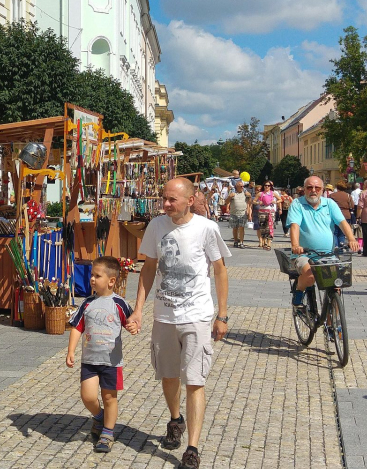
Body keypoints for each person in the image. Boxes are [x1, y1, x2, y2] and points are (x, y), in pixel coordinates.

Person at [128, 178, 230, 469]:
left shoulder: (206, 229)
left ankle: (192, 448)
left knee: (195, 381)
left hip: (197, 316)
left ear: (189, 199)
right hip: (164, 316)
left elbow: (220, 271)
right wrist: (138, 311)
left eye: (172, 199)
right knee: (169, 376)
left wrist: (221, 315)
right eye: (164, 199)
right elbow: (148, 268)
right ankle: (176, 419)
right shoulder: (156, 226)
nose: (166, 204)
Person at [66, 256, 136, 453]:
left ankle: (107, 432)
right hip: (89, 360)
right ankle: (99, 417)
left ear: (111, 281)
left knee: (109, 397)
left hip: (111, 362)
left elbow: (130, 321)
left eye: (97, 276)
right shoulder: (86, 303)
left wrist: (133, 326)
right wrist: (71, 351)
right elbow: (77, 328)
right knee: (88, 396)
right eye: (92, 275)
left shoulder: (119, 303)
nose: (92, 279)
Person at [287, 177, 359, 335]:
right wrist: (295, 245)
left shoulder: (330, 204)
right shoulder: (298, 204)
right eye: (310, 187)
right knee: (310, 275)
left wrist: (352, 239)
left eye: (317, 188)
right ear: (304, 189)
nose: (313, 190)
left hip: (327, 254)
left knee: (336, 286)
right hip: (304, 253)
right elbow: (294, 226)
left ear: (323, 190)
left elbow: (342, 223)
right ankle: (298, 293)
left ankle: (330, 325)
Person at [253, 180, 281, 250]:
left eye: (268, 186)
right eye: (265, 185)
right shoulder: (260, 193)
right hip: (262, 211)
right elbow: (253, 201)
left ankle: (269, 243)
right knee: (263, 228)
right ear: (263, 186)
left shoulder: (273, 193)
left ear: (270, 187)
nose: (267, 187)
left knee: (269, 227)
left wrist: (275, 201)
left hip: (270, 212)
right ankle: (264, 242)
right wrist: (259, 203)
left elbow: (280, 199)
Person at [225, 180, 252, 248]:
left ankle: (241, 242)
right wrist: (229, 197)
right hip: (234, 213)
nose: (242, 187)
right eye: (241, 186)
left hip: (243, 213)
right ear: (237, 187)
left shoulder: (245, 193)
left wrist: (250, 197)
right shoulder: (233, 193)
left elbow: (249, 202)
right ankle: (236, 240)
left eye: (243, 186)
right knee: (235, 228)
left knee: (241, 228)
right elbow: (226, 202)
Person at [329, 180, 354, 247]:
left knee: (335, 232)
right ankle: (341, 247)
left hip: (334, 215)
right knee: (342, 233)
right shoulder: (348, 196)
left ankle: (336, 247)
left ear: (337, 187)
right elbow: (352, 206)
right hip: (346, 215)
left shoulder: (332, 195)